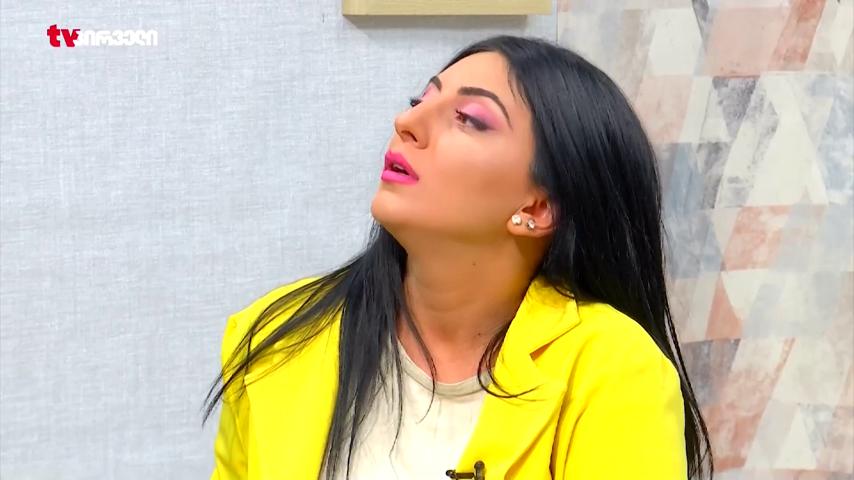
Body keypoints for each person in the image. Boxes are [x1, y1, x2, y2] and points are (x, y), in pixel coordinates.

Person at [203, 34, 714, 480]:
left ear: (537, 207)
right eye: (419, 100)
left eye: (469, 119)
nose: (407, 122)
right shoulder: (278, 339)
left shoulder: (614, 372)